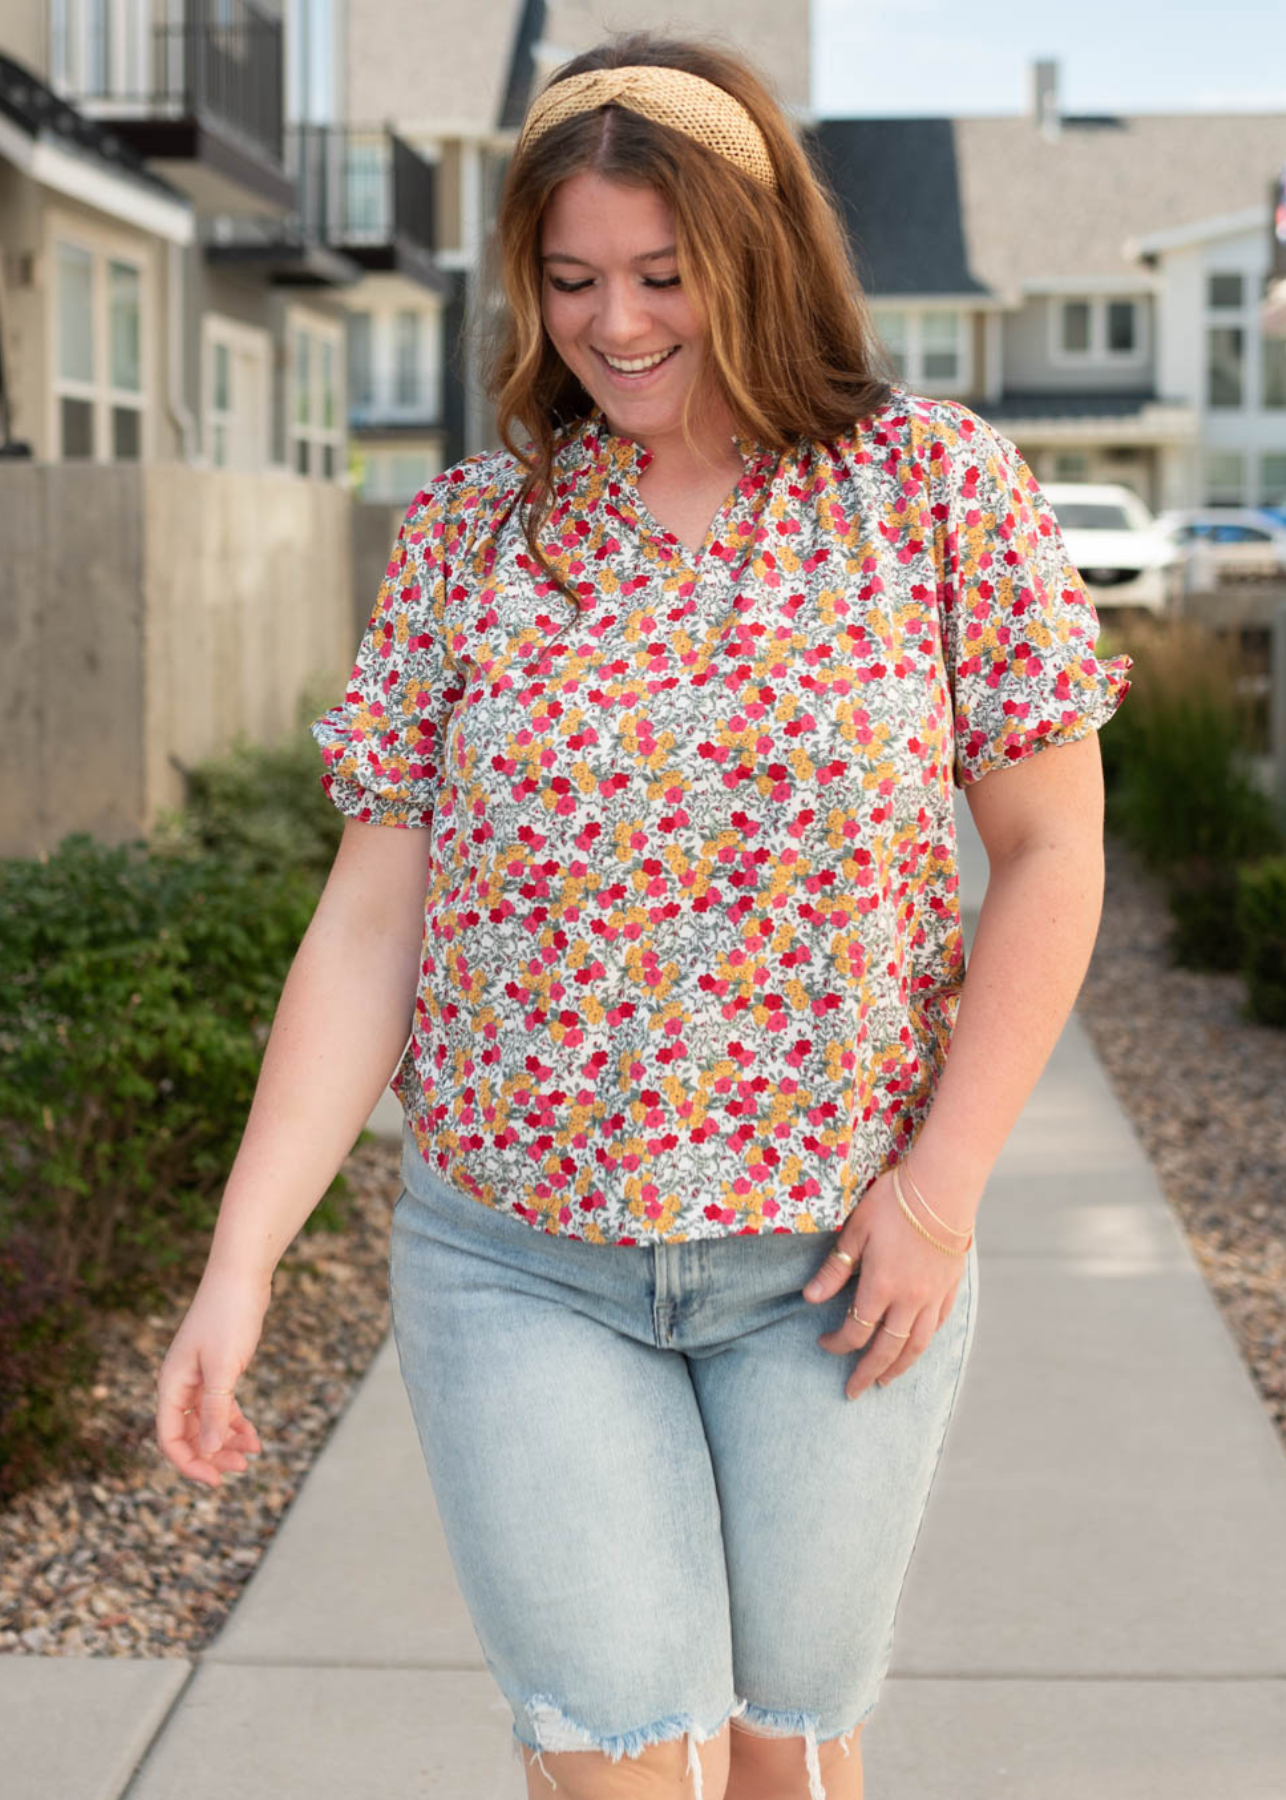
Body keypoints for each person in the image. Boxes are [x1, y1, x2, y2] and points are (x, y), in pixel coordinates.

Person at [155, 31, 1131, 1800]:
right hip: (519, 1262)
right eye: (575, 278)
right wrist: (240, 1261)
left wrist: (939, 1191)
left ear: (756, 255)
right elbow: (372, 923)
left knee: (785, 1758)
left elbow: (1052, 853)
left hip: (837, 1266)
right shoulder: (470, 537)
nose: (617, 326)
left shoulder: (930, 494)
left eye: (664, 277)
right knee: (611, 1755)